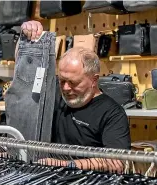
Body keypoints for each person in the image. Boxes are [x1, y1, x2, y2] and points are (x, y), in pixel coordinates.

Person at [19, 21, 131, 171]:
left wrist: (66, 165)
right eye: (62, 80)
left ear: (94, 79)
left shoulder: (112, 113)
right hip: (44, 180)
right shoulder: (54, 97)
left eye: (73, 82)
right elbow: (22, 70)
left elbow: (116, 163)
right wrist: (26, 34)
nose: (65, 88)